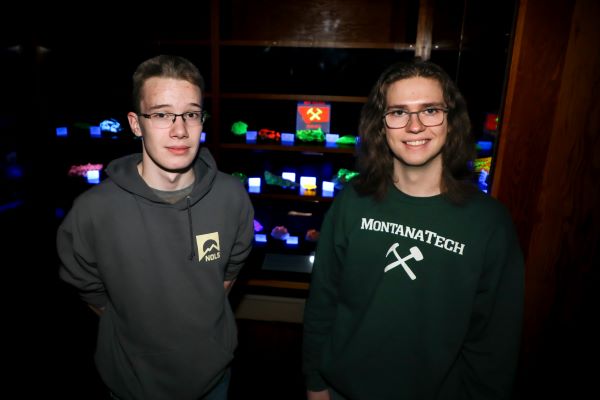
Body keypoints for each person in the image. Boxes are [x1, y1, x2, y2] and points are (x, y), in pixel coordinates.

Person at [302, 59, 524, 400]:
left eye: (430, 110)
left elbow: (494, 342)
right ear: (381, 125)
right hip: (343, 390)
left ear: (451, 121)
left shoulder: (488, 223)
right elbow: (322, 302)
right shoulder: (352, 203)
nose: (415, 125)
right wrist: (315, 382)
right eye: (399, 112)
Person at [57, 55, 255, 400]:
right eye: (162, 114)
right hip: (131, 383)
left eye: (191, 114)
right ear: (136, 124)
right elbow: (90, 290)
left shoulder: (232, 198)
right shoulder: (92, 211)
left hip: (212, 379)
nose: (180, 130)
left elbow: (227, 276)